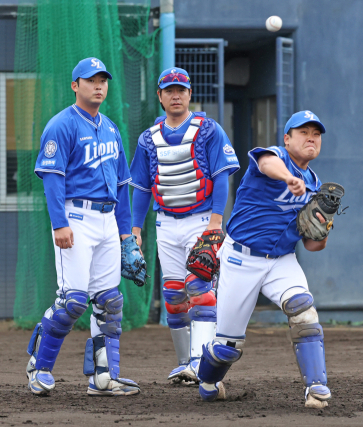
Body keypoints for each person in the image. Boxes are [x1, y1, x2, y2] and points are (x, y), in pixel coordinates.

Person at [196, 111, 332, 409]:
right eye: (303, 132)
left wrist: (322, 231)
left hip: (281, 260)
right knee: (227, 349)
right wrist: (288, 177)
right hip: (241, 259)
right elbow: (268, 163)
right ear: (287, 138)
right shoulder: (274, 157)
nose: (311, 137)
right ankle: (207, 379)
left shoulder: (314, 183)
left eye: (316, 133)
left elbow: (311, 245)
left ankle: (316, 388)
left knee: (303, 312)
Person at [25, 57, 139, 396]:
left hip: (107, 220)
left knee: (109, 302)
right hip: (75, 217)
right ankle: (39, 366)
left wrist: (127, 234)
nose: (99, 85)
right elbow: (52, 179)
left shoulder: (111, 127)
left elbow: (122, 186)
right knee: (72, 301)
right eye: (91, 80)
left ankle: (104, 377)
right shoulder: (61, 125)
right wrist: (59, 223)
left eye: (103, 80)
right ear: (76, 85)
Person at [129, 67, 240, 383]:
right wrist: (136, 230)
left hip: (201, 220)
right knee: (174, 295)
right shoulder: (148, 138)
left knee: (199, 289)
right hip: (165, 224)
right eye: (169, 90)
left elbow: (221, 177)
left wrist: (216, 223)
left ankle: (200, 361)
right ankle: (184, 363)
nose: (176, 95)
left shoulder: (208, 129)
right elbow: (141, 187)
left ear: (190, 94)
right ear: (160, 97)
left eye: (181, 90)